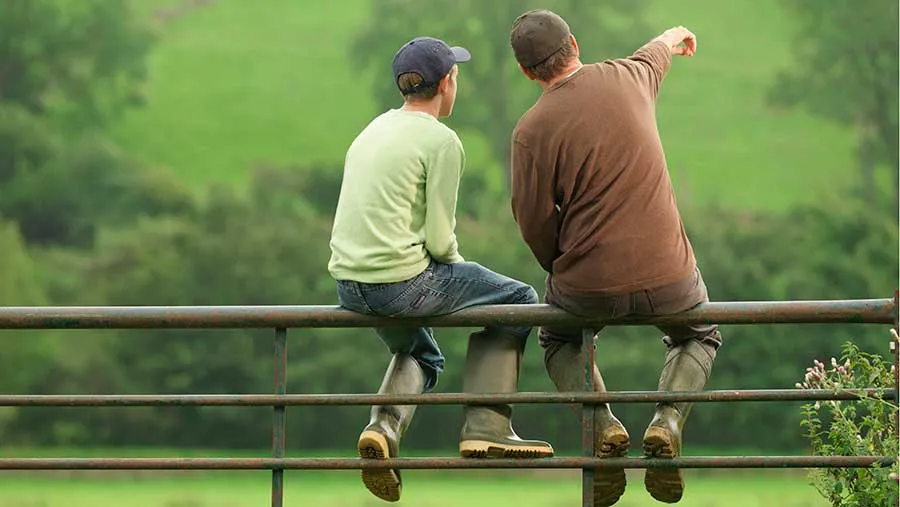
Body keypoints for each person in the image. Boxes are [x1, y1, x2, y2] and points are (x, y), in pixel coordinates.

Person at [507, 10, 722, 506]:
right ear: (575, 43)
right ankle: (667, 423)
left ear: (526, 71)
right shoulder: (630, 75)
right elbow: (657, 51)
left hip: (586, 283)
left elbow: (533, 220)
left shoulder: (530, 130)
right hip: (670, 274)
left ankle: (603, 428)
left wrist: (561, 263)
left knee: (559, 340)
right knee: (700, 333)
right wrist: (676, 35)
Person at [328, 36, 553, 503]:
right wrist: (461, 277)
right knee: (519, 299)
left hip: (349, 282)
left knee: (424, 354)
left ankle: (382, 430)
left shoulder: (373, 129)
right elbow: (439, 240)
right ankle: (487, 426)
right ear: (448, 82)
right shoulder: (441, 140)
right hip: (399, 283)